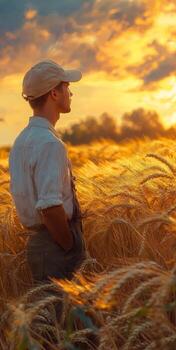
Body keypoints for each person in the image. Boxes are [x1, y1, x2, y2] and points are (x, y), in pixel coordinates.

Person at [9, 59, 87, 287]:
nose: (71, 93)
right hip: (55, 246)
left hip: (39, 246)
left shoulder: (21, 141)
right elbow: (50, 206)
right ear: (54, 93)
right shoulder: (50, 144)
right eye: (67, 87)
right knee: (66, 319)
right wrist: (69, 244)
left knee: (50, 318)